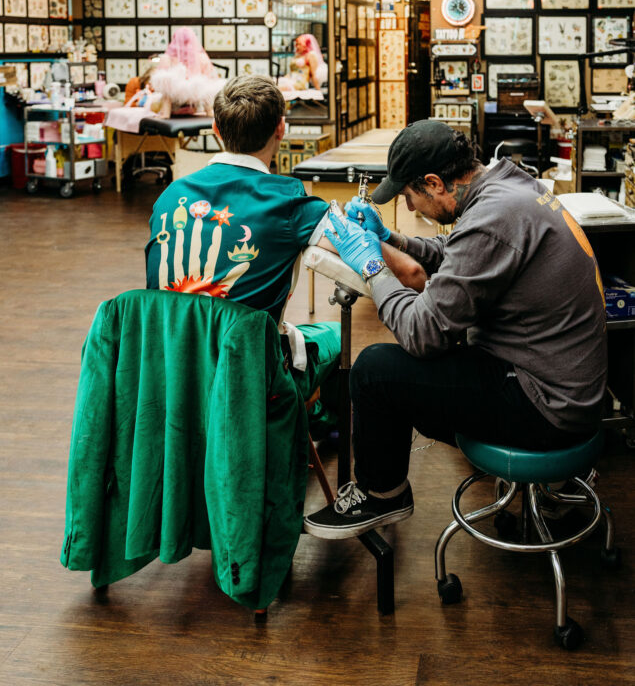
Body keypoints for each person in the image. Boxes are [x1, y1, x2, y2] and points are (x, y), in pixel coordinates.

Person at [303, 120, 607, 539]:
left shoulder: (493, 218)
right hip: (567, 384)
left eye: (410, 198)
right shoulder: (509, 186)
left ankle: (383, 495)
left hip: (548, 408)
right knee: (434, 350)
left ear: (435, 183)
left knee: (375, 371)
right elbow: (459, 252)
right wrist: (391, 238)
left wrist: (372, 266)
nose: (410, 209)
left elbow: (421, 333)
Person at [145, 75, 342, 432]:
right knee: (335, 335)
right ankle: (319, 426)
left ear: (216, 128)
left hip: (172, 367)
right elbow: (350, 247)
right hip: (250, 373)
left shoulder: (170, 196)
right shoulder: (288, 201)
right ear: (281, 129)